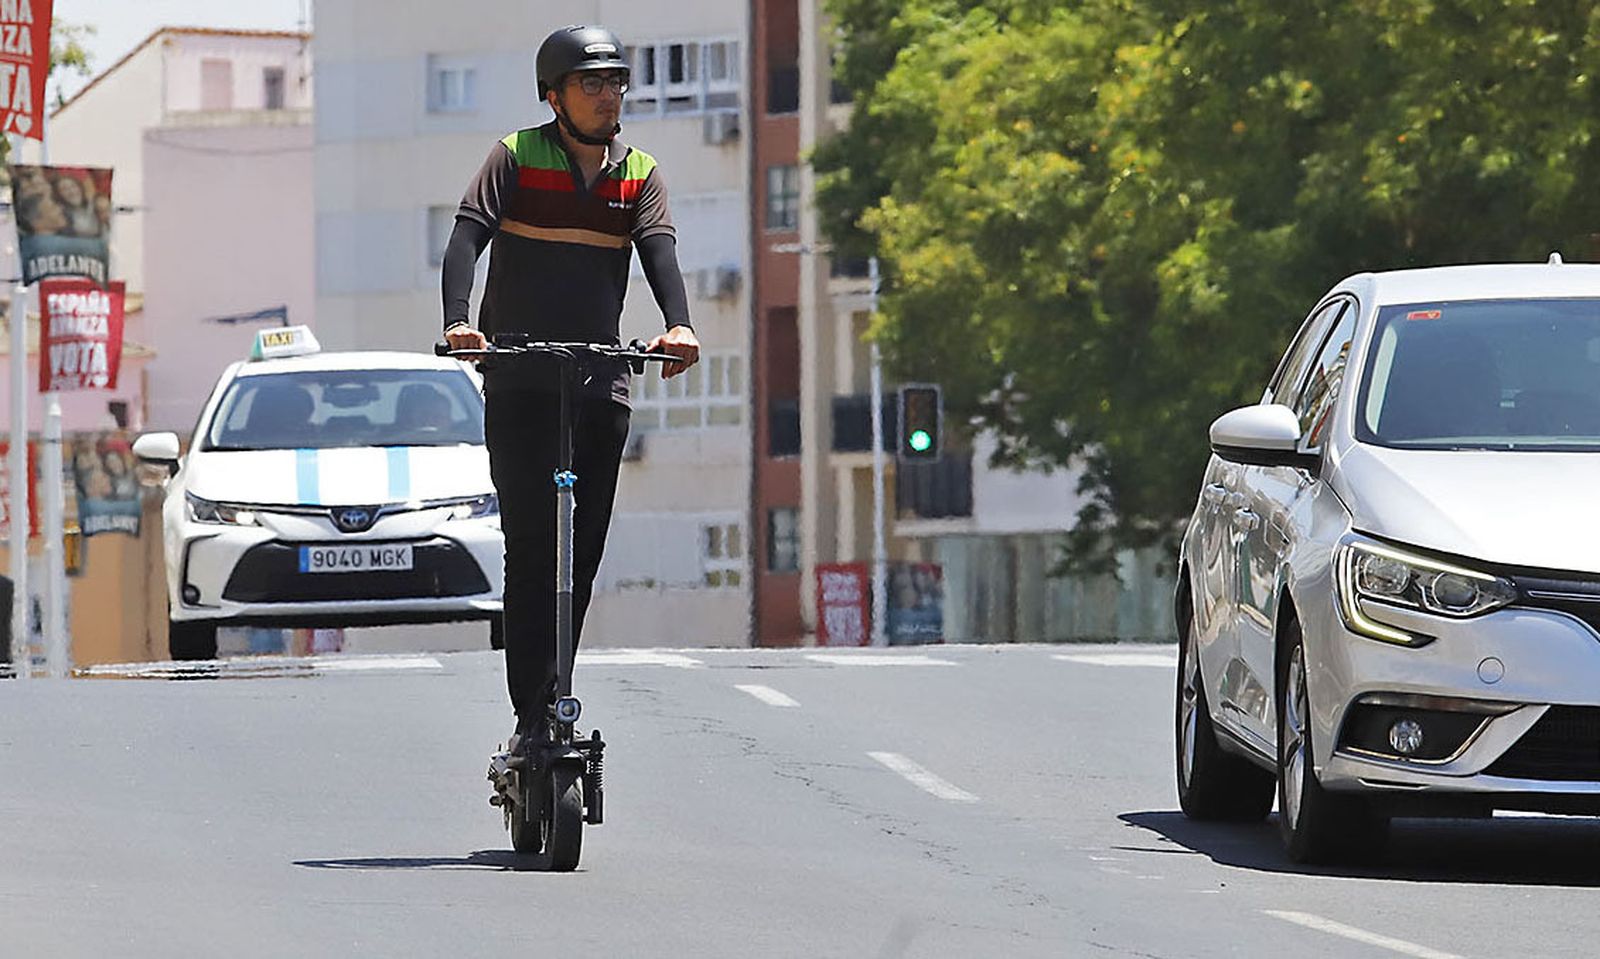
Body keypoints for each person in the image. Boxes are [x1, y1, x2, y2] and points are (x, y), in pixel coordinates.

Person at [441, 25, 699, 749]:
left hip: (598, 378)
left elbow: (659, 255)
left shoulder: (639, 173)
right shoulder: (515, 157)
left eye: (615, 80)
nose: (608, 92)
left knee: (579, 554)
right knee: (531, 547)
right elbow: (466, 239)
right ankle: (533, 713)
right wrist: (461, 323)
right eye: (591, 82)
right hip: (521, 377)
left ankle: (556, 702)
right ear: (553, 96)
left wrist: (679, 326)